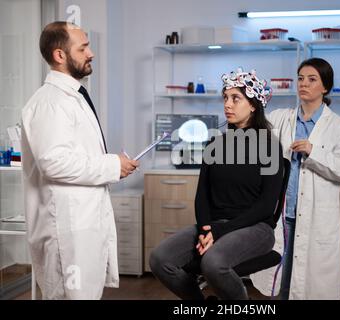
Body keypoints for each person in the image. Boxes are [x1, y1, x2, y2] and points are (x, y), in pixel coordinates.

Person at [21, 21, 139, 299]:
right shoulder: (50, 102)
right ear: (60, 56)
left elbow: (74, 154)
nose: (91, 53)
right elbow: (54, 162)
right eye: (83, 47)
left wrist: (114, 165)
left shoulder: (73, 96)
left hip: (80, 226)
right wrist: (112, 165)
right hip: (66, 230)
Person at [150, 68, 284, 300]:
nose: (228, 105)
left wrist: (218, 231)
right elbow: (202, 196)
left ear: (253, 105)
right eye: (225, 98)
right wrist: (205, 229)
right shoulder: (215, 146)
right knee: (160, 259)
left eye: (236, 98)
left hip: (256, 228)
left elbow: (265, 207)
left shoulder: (269, 147)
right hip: (213, 226)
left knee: (213, 262)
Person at [251, 58, 340, 300]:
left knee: (310, 286)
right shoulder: (280, 119)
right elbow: (254, 133)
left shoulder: (339, 127)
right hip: (282, 217)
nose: (304, 84)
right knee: (281, 282)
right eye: (300, 78)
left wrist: (314, 151)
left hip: (315, 218)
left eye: (312, 79)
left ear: (325, 87)